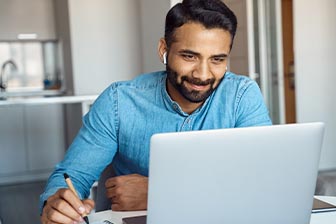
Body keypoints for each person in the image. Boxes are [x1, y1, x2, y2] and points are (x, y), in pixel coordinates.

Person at [40, 0, 272, 223]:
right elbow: (73, 174)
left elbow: (263, 179)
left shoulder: (242, 95)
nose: (203, 74)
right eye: (189, 56)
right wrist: (56, 204)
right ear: (164, 49)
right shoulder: (118, 102)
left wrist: (159, 192)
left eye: (217, 60)